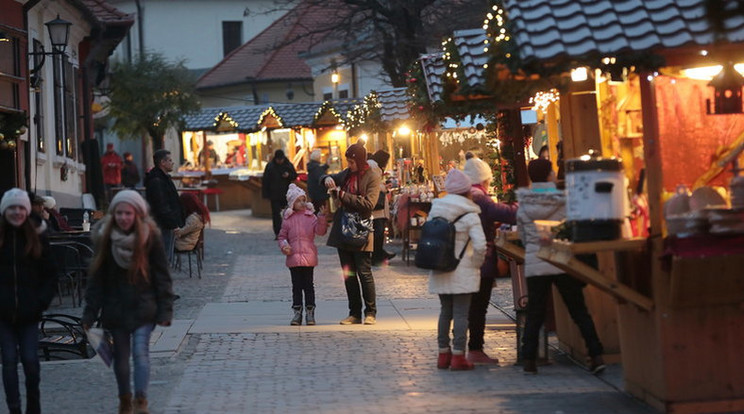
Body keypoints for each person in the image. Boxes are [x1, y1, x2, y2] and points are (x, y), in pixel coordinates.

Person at [82, 190, 175, 414]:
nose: (124, 218)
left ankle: (141, 401)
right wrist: (90, 312)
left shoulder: (149, 237)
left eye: (128, 213)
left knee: (141, 353)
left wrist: (165, 310)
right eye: (120, 213)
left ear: (137, 214)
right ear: (114, 214)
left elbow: (162, 277)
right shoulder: (105, 239)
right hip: (115, 310)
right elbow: (97, 280)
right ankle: (125, 399)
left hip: (144, 308)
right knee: (120, 359)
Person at [517, 158, 605, 375]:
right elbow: (572, 230)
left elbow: (523, 237)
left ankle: (529, 359)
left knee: (535, 312)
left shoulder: (525, 203)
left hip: (537, 261)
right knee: (578, 310)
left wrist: (534, 249)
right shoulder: (564, 200)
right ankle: (596, 355)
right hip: (562, 260)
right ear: (549, 175)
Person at [0, 189, 57, 414]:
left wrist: (40, 302)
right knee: (9, 361)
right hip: (3, 314)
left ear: (26, 210)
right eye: (12, 208)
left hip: (29, 312)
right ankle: (14, 408)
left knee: (31, 361)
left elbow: (50, 273)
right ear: (5, 211)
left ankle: (34, 405)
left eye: (21, 208)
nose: (16, 212)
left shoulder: (37, 235)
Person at [427, 169, 487, 371]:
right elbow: (480, 245)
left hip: (441, 266)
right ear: (467, 191)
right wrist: (476, 264)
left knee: (445, 312)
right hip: (463, 269)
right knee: (461, 313)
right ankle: (459, 356)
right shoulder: (470, 212)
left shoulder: (436, 208)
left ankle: (443, 354)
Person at [462, 157, 518, 365]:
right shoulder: (481, 198)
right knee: (479, 307)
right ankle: (475, 349)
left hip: (465, 259)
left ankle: (465, 349)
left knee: (470, 306)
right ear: (484, 179)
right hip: (479, 260)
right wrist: (525, 202)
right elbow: (509, 214)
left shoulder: (464, 195)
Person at [322, 143, 381, 325]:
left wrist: (342, 194)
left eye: (352, 161)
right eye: (348, 161)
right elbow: (329, 177)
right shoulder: (347, 174)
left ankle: (370, 312)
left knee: (364, 272)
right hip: (343, 229)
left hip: (361, 229)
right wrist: (326, 179)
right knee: (348, 274)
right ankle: (354, 313)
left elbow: (369, 204)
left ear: (360, 160)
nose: (349, 164)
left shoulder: (372, 176)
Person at [277, 184, 328, 326]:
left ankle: (310, 312)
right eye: (299, 200)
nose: (302, 203)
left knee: (309, 286)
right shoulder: (288, 220)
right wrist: (284, 246)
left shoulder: (310, 217)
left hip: (308, 257)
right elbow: (281, 237)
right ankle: (297, 312)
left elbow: (320, 231)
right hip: (293, 257)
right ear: (293, 203)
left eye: (303, 199)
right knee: (296, 286)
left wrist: (322, 217)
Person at [145, 149, 184, 264]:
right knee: (163, 256)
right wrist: (172, 223)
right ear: (162, 162)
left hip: (165, 222)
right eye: (170, 160)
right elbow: (162, 204)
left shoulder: (163, 178)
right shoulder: (157, 180)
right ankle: (160, 280)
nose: (172, 163)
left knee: (165, 254)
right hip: (162, 223)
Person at [262, 149, 298, 238]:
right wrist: (266, 194)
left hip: (286, 194)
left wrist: (288, 175)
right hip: (274, 194)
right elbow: (265, 181)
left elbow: (294, 175)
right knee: (276, 215)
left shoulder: (288, 165)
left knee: (288, 213)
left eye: (281, 159)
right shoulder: (270, 166)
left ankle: (289, 231)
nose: (280, 161)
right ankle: (278, 233)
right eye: (278, 159)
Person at [368, 150, 395, 265]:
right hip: (375, 206)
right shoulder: (373, 166)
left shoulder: (372, 165)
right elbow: (374, 184)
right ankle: (376, 255)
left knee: (378, 231)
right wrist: (383, 188)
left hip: (375, 206)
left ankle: (379, 253)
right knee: (377, 231)